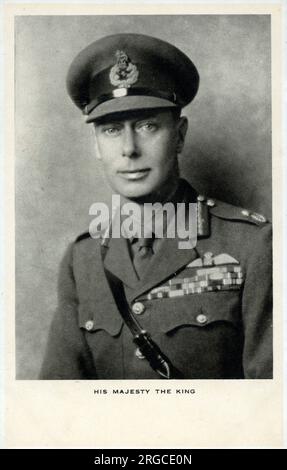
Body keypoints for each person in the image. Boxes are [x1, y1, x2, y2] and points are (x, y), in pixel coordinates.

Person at [40, 33, 272, 380]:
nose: (129, 149)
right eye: (112, 130)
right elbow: (56, 404)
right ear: (96, 145)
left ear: (179, 135)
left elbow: (271, 407)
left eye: (148, 126)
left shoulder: (252, 246)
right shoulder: (83, 259)